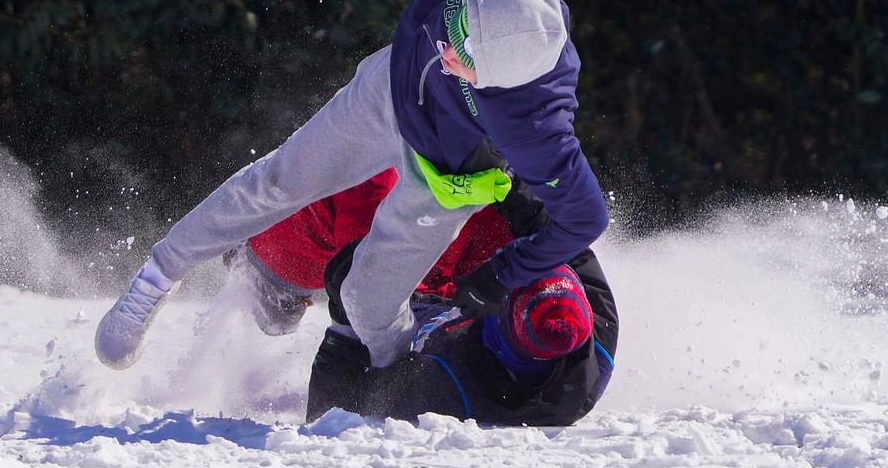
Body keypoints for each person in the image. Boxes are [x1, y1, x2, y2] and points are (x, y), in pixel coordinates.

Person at [96, 0, 609, 374]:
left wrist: (504, 273)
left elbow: (585, 218)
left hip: (444, 171)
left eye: (461, 52)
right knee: (277, 183)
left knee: (369, 303)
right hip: (388, 90)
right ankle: (154, 279)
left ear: (499, 82)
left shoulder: (538, 128)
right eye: (456, 17)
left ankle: (399, 374)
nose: (445, 43)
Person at [248, 174, 619, 426]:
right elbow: (566, 242)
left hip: (405, 306)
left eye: (513, 285)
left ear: (503, 321)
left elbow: (333, 412)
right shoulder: (598, 342)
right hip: (465, 284)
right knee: (478, 189)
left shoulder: (446, 388)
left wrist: (344, 322)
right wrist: (511, 181)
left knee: (369, 191)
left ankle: (271, 275)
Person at [224, 167, 513, 336]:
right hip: (283, 257)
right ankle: (241, 244)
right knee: (276, 321)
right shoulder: (380, 172)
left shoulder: (483, 185)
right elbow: (365, 262)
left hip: (328, 247)